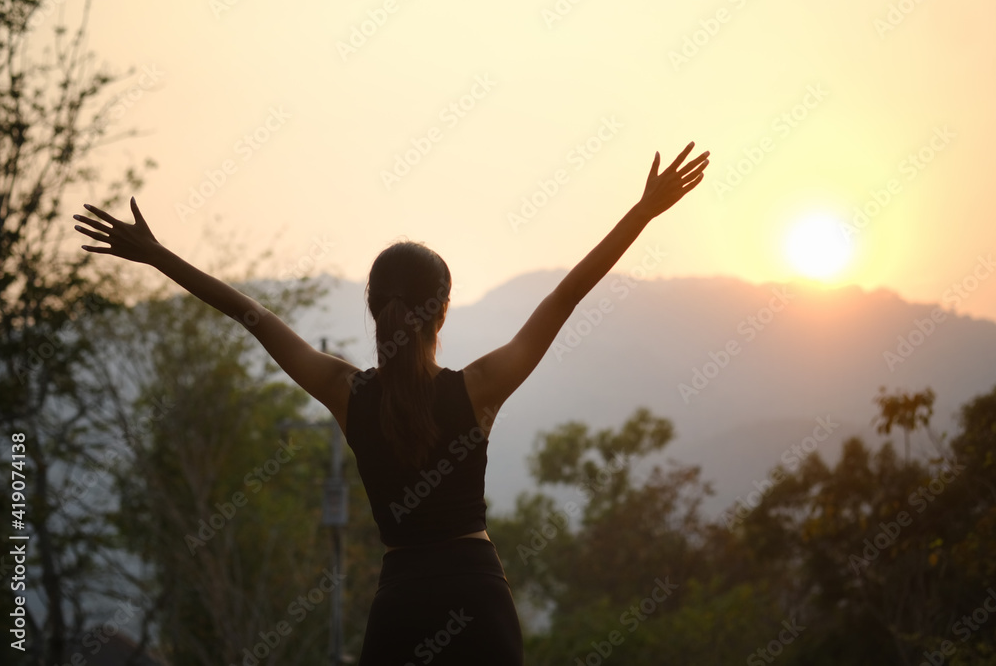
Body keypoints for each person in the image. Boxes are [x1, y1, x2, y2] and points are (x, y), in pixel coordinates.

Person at [73, 142, 709, 663]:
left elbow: (251, 314)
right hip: (478, 597)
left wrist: (157, 256)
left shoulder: (346, 394)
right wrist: (643, 212)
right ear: (443, 312)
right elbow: (564, 298)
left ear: (375, 309)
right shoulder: (479, 388)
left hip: (401, 603)